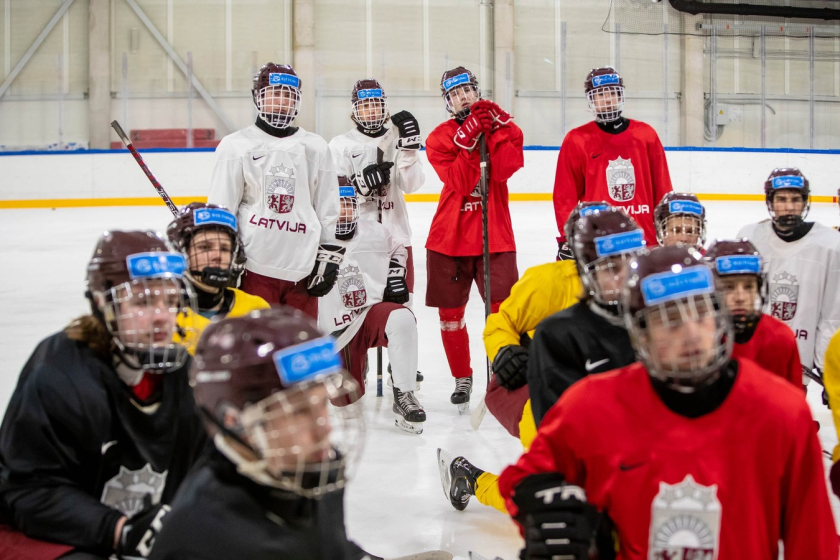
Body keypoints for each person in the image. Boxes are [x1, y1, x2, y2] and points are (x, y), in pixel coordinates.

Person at [498, 245, 839, 559]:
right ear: (640, 333)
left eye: (701, 313)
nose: (691, 333)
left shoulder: (782, 412)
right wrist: (539, 512)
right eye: (670, 320)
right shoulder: (590, 407)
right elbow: (522, 480)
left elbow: (813, 542)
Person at [0, 231, 206, 559]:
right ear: (101, 301)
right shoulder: (60, 372)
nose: (161, 316)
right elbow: (29, 491)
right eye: (142, 302)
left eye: (170, 301)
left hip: (137, 527)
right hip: (48, 533)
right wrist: (119, 530)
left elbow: (204, 467)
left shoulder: (184, 373)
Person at [437, 207, 642, 515]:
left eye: (627, 256)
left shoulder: (641, 290)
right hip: (524, 383)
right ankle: (473, 479)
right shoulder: (548, 282)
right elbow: (500, 323)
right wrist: (505, 351)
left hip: (592, 392)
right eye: (608, 260)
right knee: (551, 497)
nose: (622, 270)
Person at [149, 308, 370, 559]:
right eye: (298, 412)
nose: (324, 428)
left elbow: (327, 547)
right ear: (234, 421)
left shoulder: (310, 470)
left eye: (323, 404)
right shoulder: (200, 541)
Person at [208, 62, 344, 319]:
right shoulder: (235, 146)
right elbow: (222, 207)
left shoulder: (315, 146)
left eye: (288, 95)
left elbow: (328, 207)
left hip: (303, 270)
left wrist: (329, 256)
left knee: (300, 350)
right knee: (256, 351)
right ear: (257, 98)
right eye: (274, 94)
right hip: (254, 267)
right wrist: (222, 256)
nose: (281, 102)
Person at [425, 66, 524, 411]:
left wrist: (495, 130)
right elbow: (459, 183)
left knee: (503, 312)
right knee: (451, 315)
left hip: (494, 236)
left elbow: (508, 166)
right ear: (447, 102)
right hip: (448, 238)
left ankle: (502, 373)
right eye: (454, 94)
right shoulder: (438, 138)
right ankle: (462, 377)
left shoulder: (504, 128)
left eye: (466, 90)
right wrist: (467, 140)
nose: (462, 97)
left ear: (477, 91)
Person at [318, 177, 425, 434]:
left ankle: (405, 393)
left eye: (348, 202)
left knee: (402, 318)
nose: (344, 210)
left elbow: (399, 249)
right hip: (335, 329)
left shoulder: (375, 230)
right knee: (346, 402)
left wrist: (395, 275)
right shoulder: (312, 235)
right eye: (337, 204)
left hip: (371, 314)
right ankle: (358, 364)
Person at [553, 66, 672, 254]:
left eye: (612, 93)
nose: (607, 99)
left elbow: (663, 189)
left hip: (644, 238)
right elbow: (564, 197)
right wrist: (567, 237)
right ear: (591, 99)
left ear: (620, 95)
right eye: (600, 95)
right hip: (598, 239)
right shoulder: (577, 139)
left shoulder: (645, 135)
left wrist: (668, 228)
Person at [737, 167, 840, 384]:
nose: (789, 207)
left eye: (795, 199)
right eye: (781, 199)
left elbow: (832, 313)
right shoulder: (749, 238)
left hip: (799, 362)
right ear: (770, 202)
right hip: (757, 356)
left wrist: (827, 368)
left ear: (805, 202)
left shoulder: (831, 245)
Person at [329, 79, 425, 304]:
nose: (371, 110)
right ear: (355, 110)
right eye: (365, 105)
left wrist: (409, 150)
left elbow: (411, 185)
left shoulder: (397, 137)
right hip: (358, 239)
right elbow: (330, 197)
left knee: (401, 310)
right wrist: (359, 185)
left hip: (398, 238)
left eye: (376, 104)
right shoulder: (340, 145)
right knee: (359, 310)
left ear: (385, 106)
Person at [167, 202, 270, 354]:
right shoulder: (164, 315)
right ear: (183, 254)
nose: (217, 256)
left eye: (224, 248)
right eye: (205, 247)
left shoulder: (256, 309)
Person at [703, 239, 802, 388]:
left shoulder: (781, 338)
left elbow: (794, 404)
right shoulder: (697, 339)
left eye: (749, 287)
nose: (740, 297)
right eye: (729, 287)